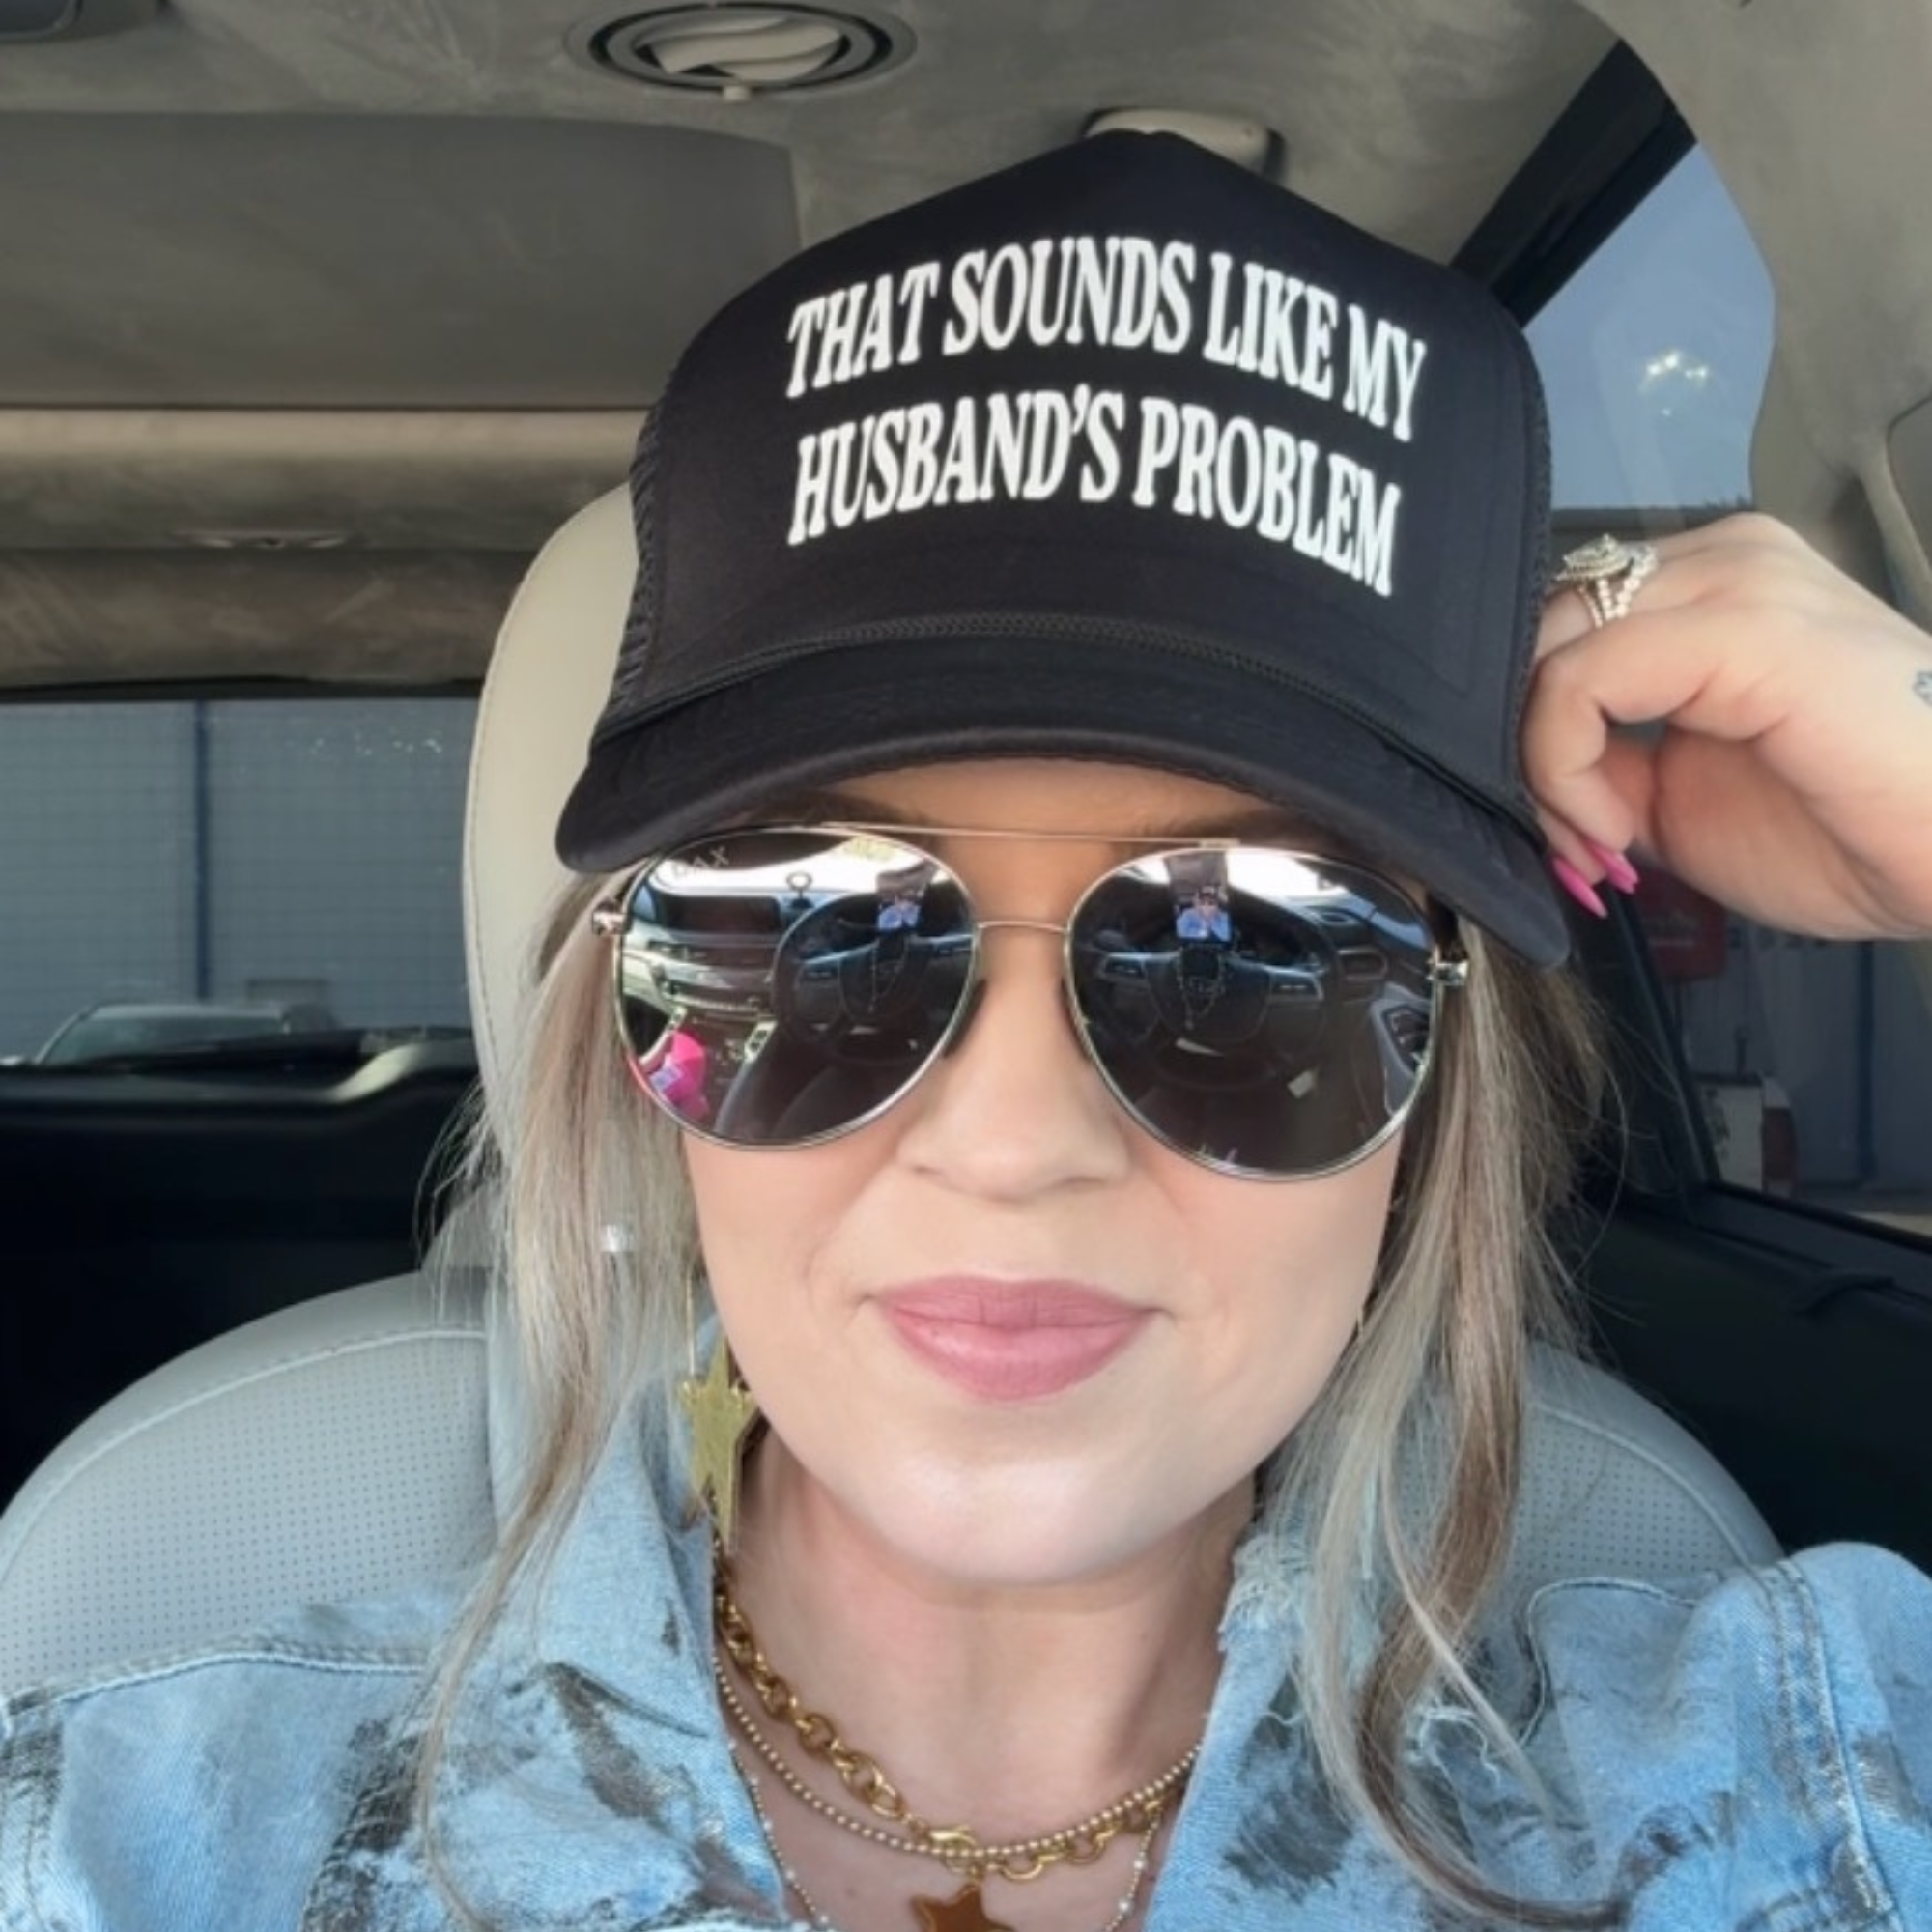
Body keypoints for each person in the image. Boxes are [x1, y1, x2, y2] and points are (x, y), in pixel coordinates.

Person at [5, 133, 1932, 1932]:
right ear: (638, 1039)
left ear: (1427, 1097)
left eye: (1247, 956)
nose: (1012, 1139)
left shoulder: (1797, 1789)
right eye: (817, 935)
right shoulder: (137, 1840)